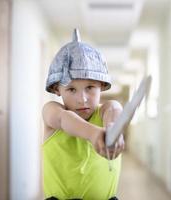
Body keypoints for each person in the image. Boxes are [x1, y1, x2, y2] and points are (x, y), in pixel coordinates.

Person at [42, 29, 124, 200]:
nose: (82, 99)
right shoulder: (52, 111)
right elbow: (65, 120)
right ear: (57, 89)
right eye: (71, 89)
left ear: (101, 85)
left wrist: (113, 128)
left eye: (90, 87)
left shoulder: (104, 112)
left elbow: (115, 109)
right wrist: (94, 133)